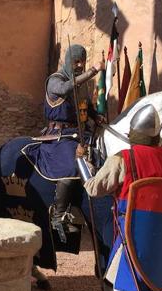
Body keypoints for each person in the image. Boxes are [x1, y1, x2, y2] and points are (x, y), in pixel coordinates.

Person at [84, 105, 162, 291]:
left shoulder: (124, 158)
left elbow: (94, 189)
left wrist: (85, 164)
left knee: (133, 290)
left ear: (133, 133)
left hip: (133, 237)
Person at [25, 43, 105, 250]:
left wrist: (97, 116)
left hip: (80, 134)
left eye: (83, 62)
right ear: (68, 60)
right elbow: (64, 89)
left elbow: (86, 105)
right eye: (76, 61)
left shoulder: (81, 86)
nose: (79, 65)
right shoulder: (55, 80)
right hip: (58, 136)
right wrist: (93, 71)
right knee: (72, 165)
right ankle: (59, 215)